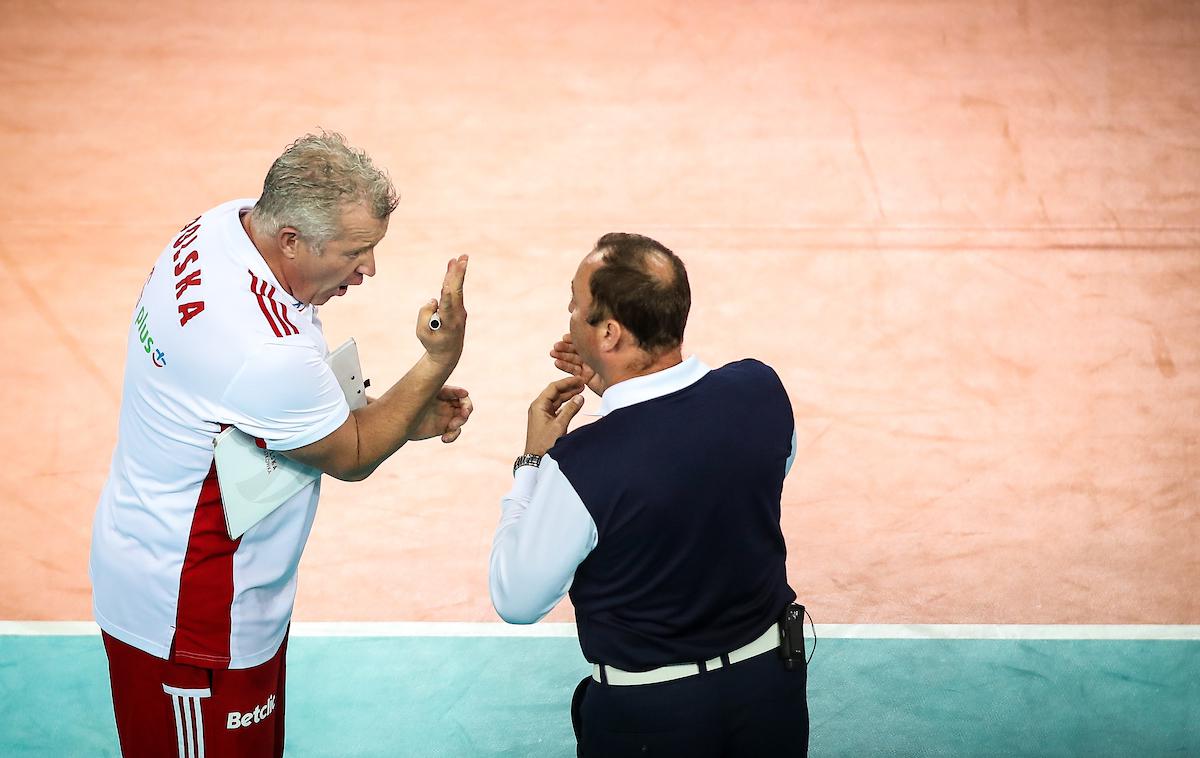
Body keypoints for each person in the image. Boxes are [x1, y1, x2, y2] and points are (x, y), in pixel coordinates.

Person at [90, 132, 472, 758]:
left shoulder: (224, 227)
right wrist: (439, 359)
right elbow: (350, 455)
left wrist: (397, 416)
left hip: (227, 592)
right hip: (191, 615)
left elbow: (265, 413)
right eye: (356, 252)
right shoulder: (261, 348)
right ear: (291, 238)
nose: (368, 270)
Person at [489, 232, 808, 756]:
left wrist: (534, 464)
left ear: (609, 333)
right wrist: (619, 391)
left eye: (576, 304)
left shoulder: (580, 465)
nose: (569, 315)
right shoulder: (760, 390)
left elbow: (516, 598)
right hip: (772, 695)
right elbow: (738, 476)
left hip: (648, 723)